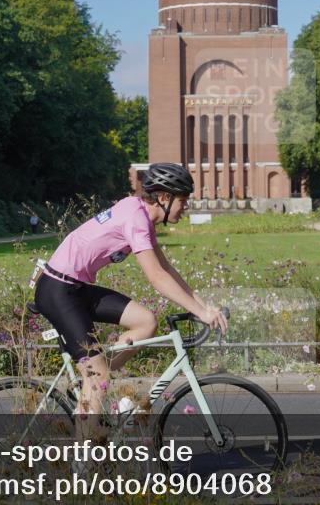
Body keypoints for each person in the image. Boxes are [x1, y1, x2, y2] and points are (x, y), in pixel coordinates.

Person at [33, 162, 228, 422]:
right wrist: (200, 312)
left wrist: (204, 307)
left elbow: (166, 268)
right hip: (58, 291)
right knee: (98, 376)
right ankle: (83, 460)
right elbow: (157, 277)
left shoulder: (139, 212)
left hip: (74, 288)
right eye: (183, 200)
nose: (186, 207)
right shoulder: (136, 220)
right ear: (163, 198)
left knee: (146, 322)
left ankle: (93, 381)